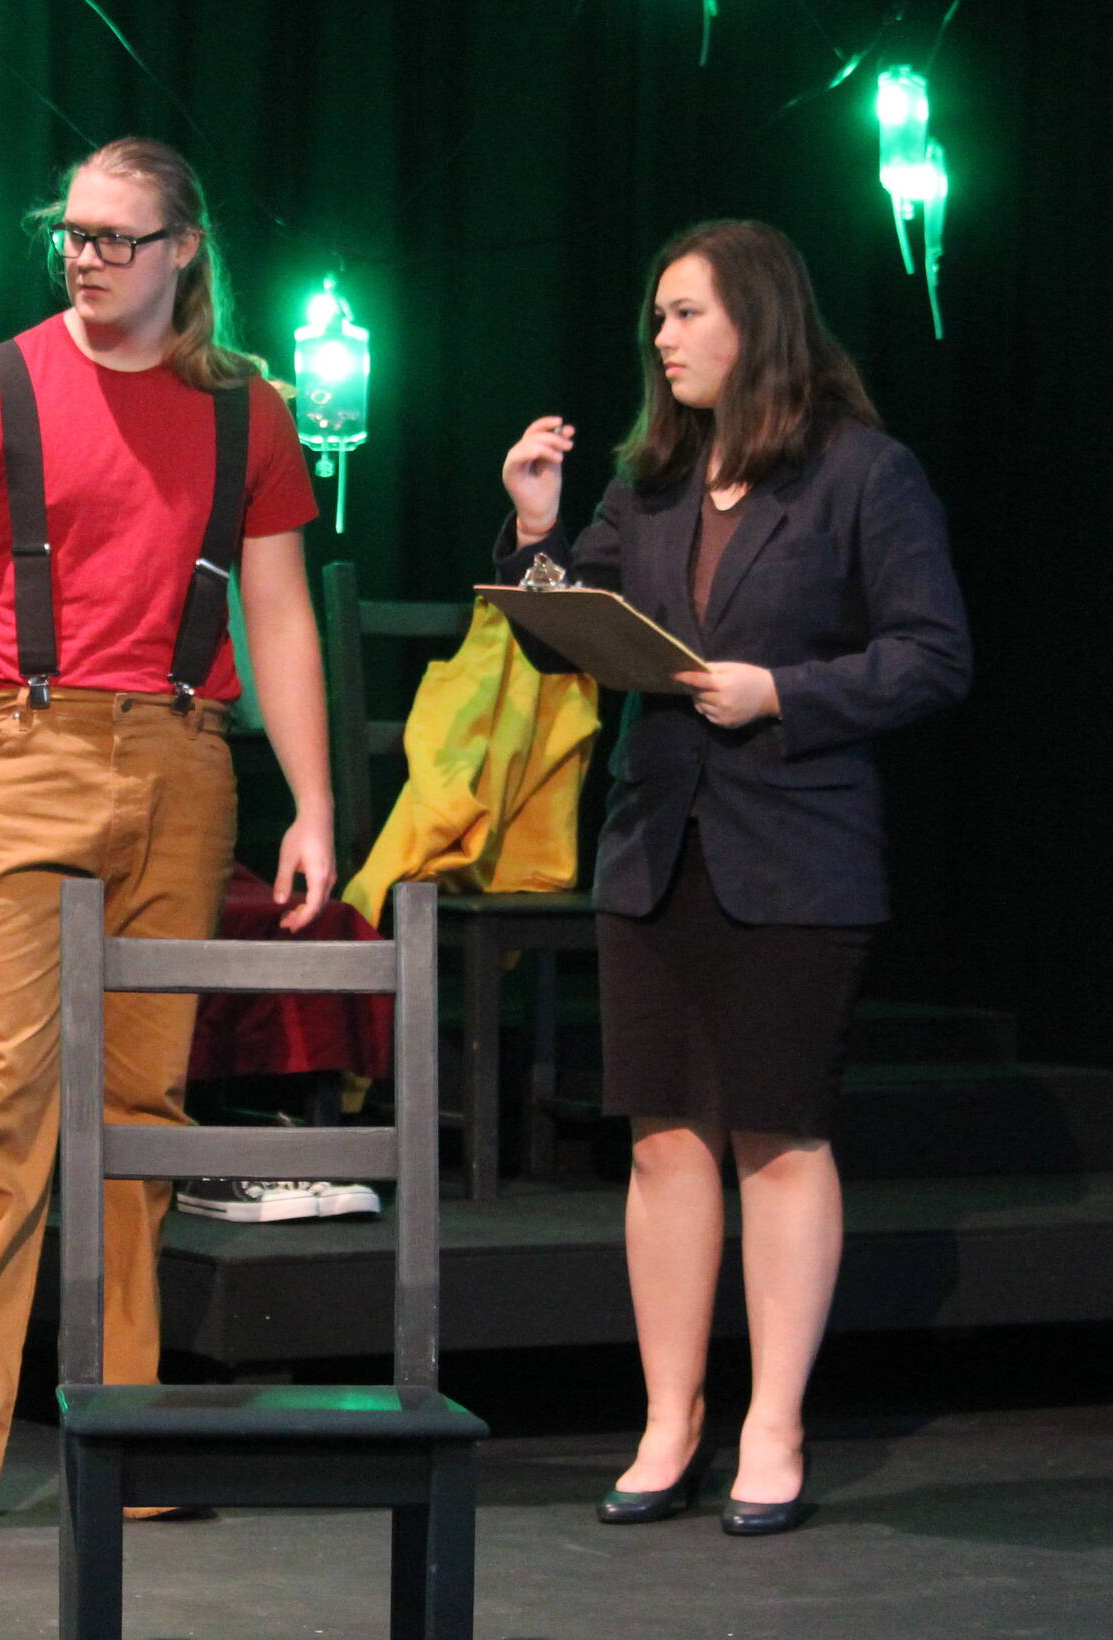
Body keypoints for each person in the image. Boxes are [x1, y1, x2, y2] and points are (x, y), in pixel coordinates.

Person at [0, 137, 334, 1537]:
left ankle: (121, 1432)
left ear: (185, 248)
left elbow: (282, 616)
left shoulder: (248, 410)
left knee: (142, 1117)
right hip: (18, 748)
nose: (88, 256)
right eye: (72, 233)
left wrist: (311, 803)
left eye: (119, 237)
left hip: (182, 761)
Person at [496, 220, 971, 1535]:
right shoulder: (648, 482)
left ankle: (774, 1422)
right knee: (660, 1138)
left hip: (800, 848)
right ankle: (670, 1418)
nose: (662, 337)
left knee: (777, 1131)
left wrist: (787, 692)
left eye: (685, 313)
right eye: (656, 316)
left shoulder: (862, 475)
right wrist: (535, 533)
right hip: (657, 846)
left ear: (755, 320)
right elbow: (566, 637)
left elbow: (936, 655)